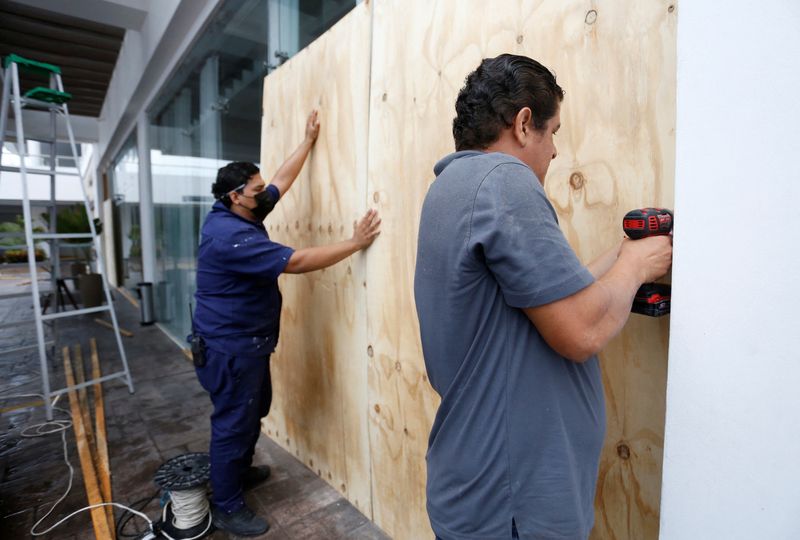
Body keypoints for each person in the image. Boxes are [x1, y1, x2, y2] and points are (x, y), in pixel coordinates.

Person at [413, 54, 672, 540]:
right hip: (514, 503)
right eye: (553, 132)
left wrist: (620, 255)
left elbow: (547, 293)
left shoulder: (452, 187)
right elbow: (582, 329)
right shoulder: (504, 182)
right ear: (524, 123)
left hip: (477, 485)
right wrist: (638, 267)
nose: (554, 151)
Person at [191, 110, 381, 536]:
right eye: (256, 190)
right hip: (229, 349)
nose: (265, 193)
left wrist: (308, 140)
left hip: (247, 344)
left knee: (253, 411)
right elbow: (294, 262)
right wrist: (354, 243)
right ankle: (226, 503)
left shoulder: (243, 210)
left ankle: (235, 474)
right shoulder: (230, 237)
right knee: (233, 422)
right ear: (237, 196)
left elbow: (280, 180)